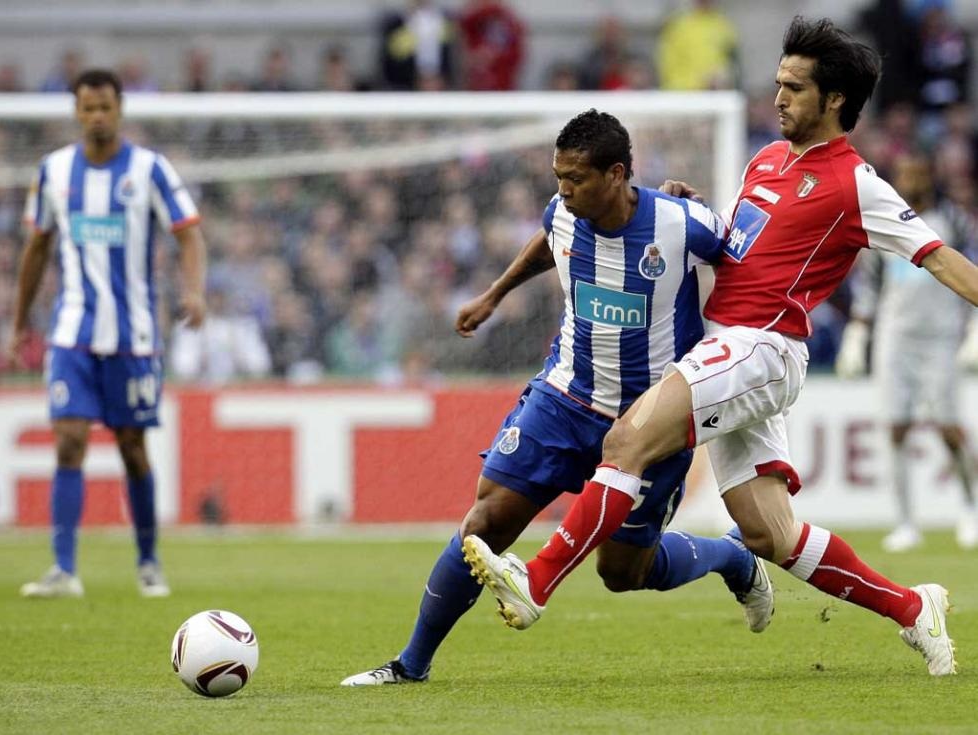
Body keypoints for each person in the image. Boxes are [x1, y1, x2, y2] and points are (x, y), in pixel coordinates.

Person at [464, 17, 978, 677]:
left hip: (763, 346)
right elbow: (737, 249)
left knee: (627, 439)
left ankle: (534, 582)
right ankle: (914, 607)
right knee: (770, 534)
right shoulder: (765, 160)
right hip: (729, 346)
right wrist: (689, 209)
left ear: (835, 101)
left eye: (795, 88)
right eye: (778, 83)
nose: (779, 97)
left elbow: (938, 257)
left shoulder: (857, 183)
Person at [341, 109, 774, 686]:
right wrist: (494, 295)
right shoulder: (563, 213)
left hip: (651, 421)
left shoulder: (682, 224)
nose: (563, 190)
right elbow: (549, 242)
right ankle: (409, 665)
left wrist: (736, 359)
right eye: (558, 177)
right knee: (486, 521)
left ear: (616, 174)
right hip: (566, 397)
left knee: (622, 572)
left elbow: (748, 265)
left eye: (575, 178)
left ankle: (733, 557)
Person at [10, 68, 208, 598]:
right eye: (88, 108)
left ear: (120, 110)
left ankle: (148, 561)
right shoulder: (54, 170)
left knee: (132, 448)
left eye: (105, 107)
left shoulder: (150, 169)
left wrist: (194, 291)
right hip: (71, 333)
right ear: (76, 112)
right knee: (69, 441)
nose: (97, 116)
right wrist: (18, 322)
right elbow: (36, 248)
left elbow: (189, 234)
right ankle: (63, 569)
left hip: (133, 337)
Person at [836, 151, 978, 551]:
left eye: (917, 173)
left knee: (949, 428)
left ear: (930, 177)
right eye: (905, 174)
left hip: (941, 338)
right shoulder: (884, 221)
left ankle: (970, 509)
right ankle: (905, 522)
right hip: (895, 337)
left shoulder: (953, 221)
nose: (911, 181)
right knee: (895, 428)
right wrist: (857, 335)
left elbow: (970, 269)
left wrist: (974, 327)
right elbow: (870, 285)